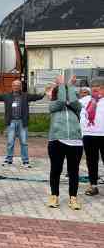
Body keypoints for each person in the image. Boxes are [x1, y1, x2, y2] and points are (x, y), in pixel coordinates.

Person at [47, 75, 84, 210]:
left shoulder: (76, 107)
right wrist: (62, 84)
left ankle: (73, 198)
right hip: (57, 141)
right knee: (56, 170)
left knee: (74, 171)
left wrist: (70, 86)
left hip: (75, 143)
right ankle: (54, 196)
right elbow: (62, 101)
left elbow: (73, 101)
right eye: (64, 91)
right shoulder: (54, 105)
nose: (67, 95)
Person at [0, 79, 44, 168]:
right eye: (15, 85)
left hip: (22, 122)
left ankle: (25, 161)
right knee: (10, 142)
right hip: (11, 121)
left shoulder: (25, 96)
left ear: (21, 87)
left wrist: (45, 93)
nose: (16, 87)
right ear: (12, 86)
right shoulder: (6, 96)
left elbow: (36, 97)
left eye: (18, 85)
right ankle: (9, 160)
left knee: (24, 142)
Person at [80, 78, 104, 196]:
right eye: (93, 86)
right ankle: (93, 185)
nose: (95, 88)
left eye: (99, 86)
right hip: (88, 135)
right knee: (91, 161)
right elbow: (71, 105)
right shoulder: (85, 100)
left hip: (103, 134)